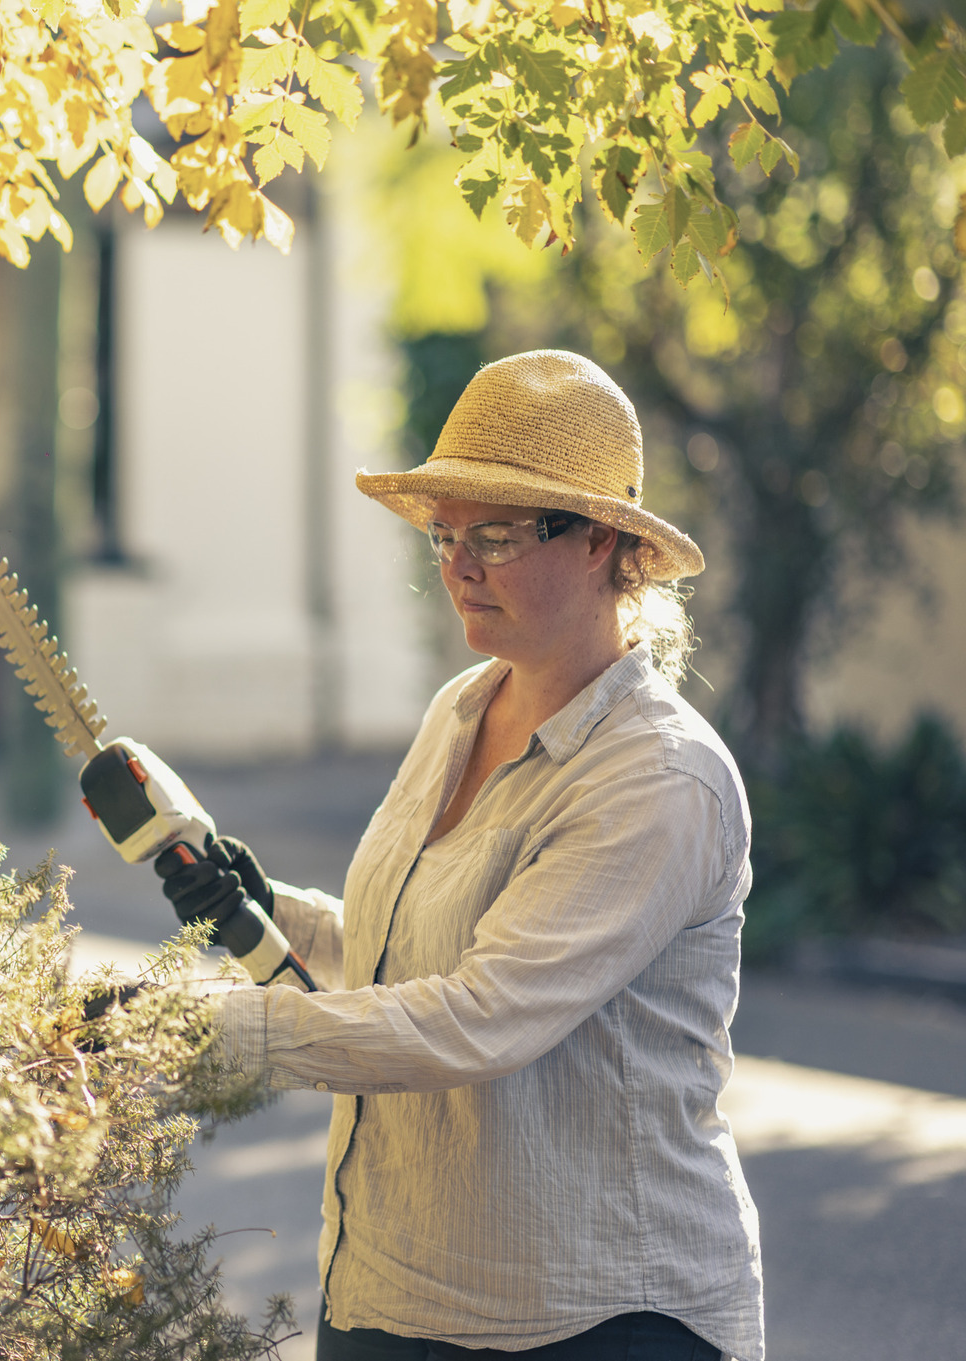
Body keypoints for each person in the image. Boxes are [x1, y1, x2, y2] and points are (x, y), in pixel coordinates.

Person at [156, 351, 762, 1360]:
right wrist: (272, 915)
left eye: (495, 534)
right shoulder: (461, 708)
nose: (457, 566)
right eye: (444, 535)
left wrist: (212, 1031)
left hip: (595, 1320)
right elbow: (410, 961)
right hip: (393, 1288)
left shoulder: (658, 777)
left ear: (603, 541)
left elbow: (479, 1018)